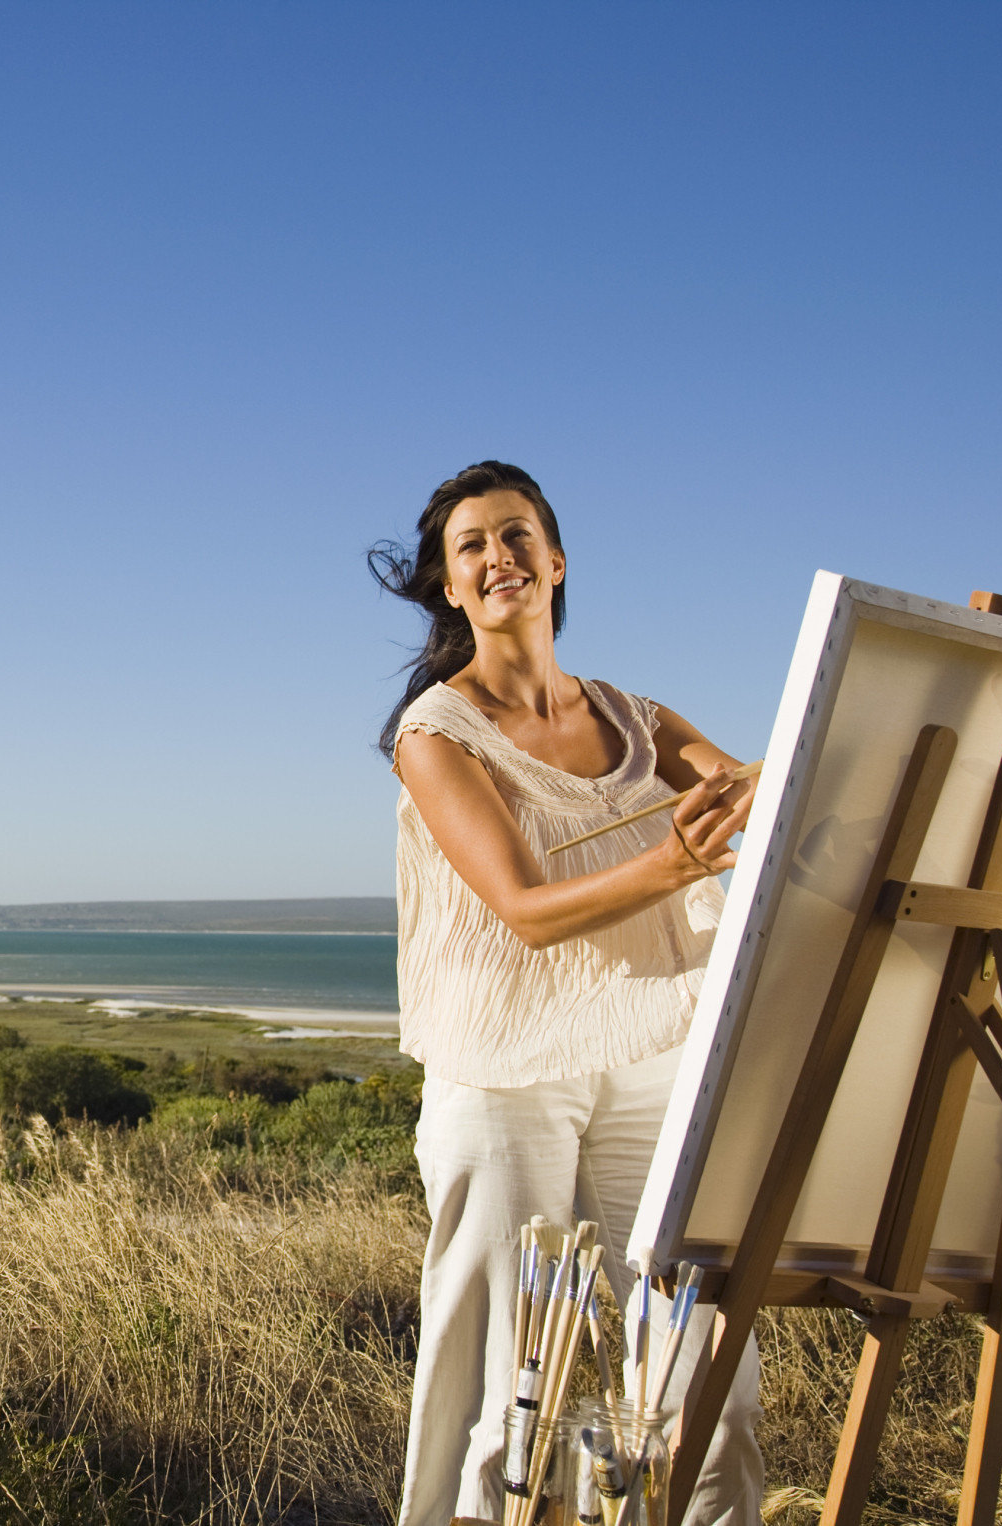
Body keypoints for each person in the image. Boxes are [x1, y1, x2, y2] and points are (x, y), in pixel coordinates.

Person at [372, 461, 765, 1526]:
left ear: (555, 560)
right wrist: (674, 865)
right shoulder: (434, 733)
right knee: (508, 1391)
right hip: (502, 1075)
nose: (497, 554)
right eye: (471, 544)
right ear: (449, 586)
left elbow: (769, 801)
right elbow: (523, 905)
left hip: (650, 1058)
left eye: (516, 534)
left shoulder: (637, 715)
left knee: (695, 1355)